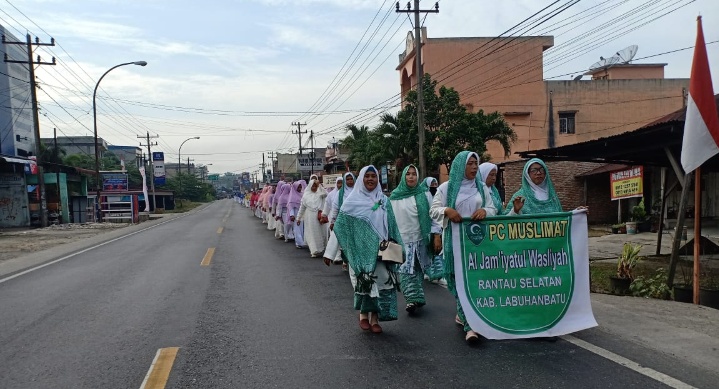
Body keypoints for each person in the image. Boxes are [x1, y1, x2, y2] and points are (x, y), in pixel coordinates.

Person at [430, 151, 497, 343]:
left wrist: (485, 211)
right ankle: (470, 326)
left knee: (474, 282)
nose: (475, 167)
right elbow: (433, 211)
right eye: (470, 164)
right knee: (460, 282)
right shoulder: (446, 188)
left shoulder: (481, 188)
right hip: (455, 243)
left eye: (476, 164)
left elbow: (492, 209)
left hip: (477, 243)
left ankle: (467, 316)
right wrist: (447, 210)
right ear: (461, 166)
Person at [334, 166, 402, 334]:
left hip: (382, 250)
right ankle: (364, 315)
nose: (371, 179)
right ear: (361, 179)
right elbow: (340, 227)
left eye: (374, 176)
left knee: (382, 282)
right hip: (361, 252)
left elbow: (392, 225)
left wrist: (401, 247)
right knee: (365, 283)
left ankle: (375, 318)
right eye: (367, 176)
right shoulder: (351, 201)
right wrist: (341, 250)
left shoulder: (384, 201)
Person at [388, 165, 434, 314]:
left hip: (420, 238)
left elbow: (433, 215)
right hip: (402, 240)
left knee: (418, 270)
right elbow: (388, 217)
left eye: (414, 174)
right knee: (405, 271)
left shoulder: (424, 194)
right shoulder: (394, 196)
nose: (411, 177)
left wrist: (435, 234)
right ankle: (410, 299)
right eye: (408, 174)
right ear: (403, 177)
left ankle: (417, 297)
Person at [323, 172, 355, 270]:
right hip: (343, 222)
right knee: (345, 243)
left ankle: (352, 263)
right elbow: (335, 208)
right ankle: (345, 261)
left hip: (357, 223)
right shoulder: (339, 194)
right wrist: (333, 222)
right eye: (347, 179)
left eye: (351, 179)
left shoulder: (359, 191)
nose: (350, 181)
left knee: (354, 244)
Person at [297, 179, 328, 257]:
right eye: (313, 186)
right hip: (309, 217)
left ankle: (320, 248)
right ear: (310, 186)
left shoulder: (320, 194)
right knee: (312, 233)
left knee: (320, 232)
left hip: (319, 216)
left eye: (315, 186)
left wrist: (320, 185)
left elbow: (326, 194)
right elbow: (302, 208)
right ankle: (314, 250)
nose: (314, 187)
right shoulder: (305, 195)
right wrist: (298, 218)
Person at [288, 180, 306, 248]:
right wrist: (292, 215)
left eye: (300, 187)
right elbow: (291, 207)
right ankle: (298, 242)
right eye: (298, 187)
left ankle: (302, 241)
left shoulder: (302, 194)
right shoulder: (292, 196)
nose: (300, 189)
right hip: (295, 214)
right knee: (297, 228)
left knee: (302, 228)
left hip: (302, 214)